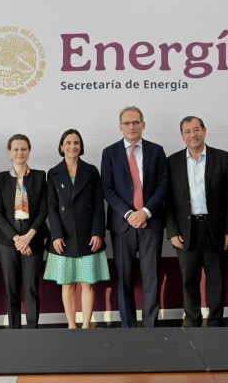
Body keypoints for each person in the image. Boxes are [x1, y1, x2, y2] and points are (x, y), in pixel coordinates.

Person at [165, 116, 228, 327]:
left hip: (215, 229)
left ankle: (215, 321)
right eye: (187, 131)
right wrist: (172, 231)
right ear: (182, 135)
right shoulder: (172, 162)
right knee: (189, 279)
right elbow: (168, 201)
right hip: (186, 230)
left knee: (216, 279)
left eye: (196, 129)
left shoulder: (223, 158)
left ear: (204, 131)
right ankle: (192, 320)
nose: (192, 134)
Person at [101, 106, 167, 328]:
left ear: (143, 125)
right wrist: (129, 214)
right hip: (123, 225)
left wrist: (145, 212)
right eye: (127, 123)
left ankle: (150, 326)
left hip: (151, 222)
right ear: (120, 127)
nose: (132, 127)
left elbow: (163, 185)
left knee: (152, 277)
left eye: (136, 122)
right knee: (124, 278)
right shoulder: (109, 153)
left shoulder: (157, 151)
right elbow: (107, 188)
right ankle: (128, 326)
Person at [43, 129, 109, 329]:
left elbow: (98, 205)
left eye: (76, 143)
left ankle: (86, 325)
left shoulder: (91, 171)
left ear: (81, 146)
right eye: (68, 143)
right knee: (68, 284)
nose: (72, 146)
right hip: (64, 237)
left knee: (88, 284)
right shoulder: (53, 173)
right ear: (61, 147)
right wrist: (56, 235)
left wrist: (98, 232)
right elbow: (52, 208)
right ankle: (72, 325)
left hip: (88, 235)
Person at [0, 134, 48, 329]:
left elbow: (43, 210)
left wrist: (28, 237)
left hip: (34, 237)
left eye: (23, 149)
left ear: (29, 151)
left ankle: (33, 329)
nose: (19, 153)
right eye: (15, 149)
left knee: (31, 287)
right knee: (12, 288)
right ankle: (14, 331)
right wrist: (18, 239)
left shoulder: (40, 176)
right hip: (8, 240)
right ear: (9, 152)